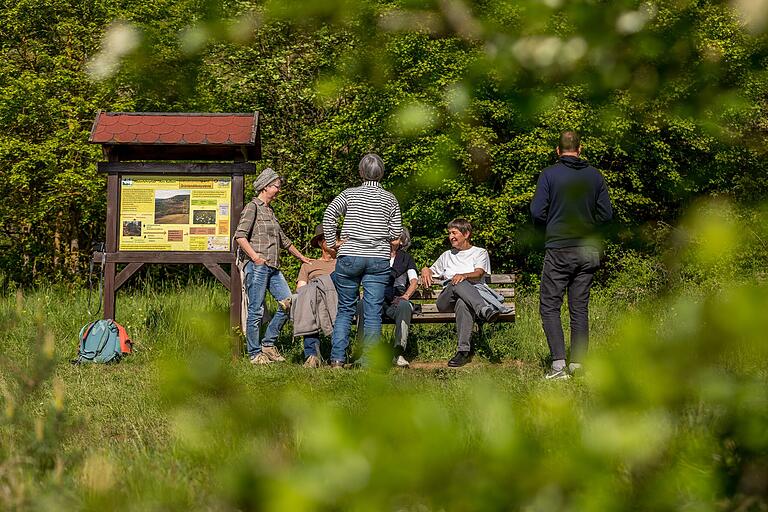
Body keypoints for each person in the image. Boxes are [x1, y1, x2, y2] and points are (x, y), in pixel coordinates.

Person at [530, 130, 613, 379]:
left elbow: (536, 212)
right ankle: (578, 365)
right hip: (588, 250)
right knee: (579, 308)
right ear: (581, 149)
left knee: (550, 306)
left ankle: (558, 367)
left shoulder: (549, 175)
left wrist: (548, 230)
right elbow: (607, 215)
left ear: (558, 151)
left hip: (559, 248)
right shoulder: (594, 176)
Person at [323, 153, 402, 368]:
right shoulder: (390, 198)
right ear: (382, 173)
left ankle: (337, 359)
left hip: (350, 255)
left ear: (360, 173)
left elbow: (329, 215)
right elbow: (397, 232)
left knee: (346, 308)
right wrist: (388, 241)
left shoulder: (349, 194)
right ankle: (369, 362)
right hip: (378, 259)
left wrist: (333, 242)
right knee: (373, 311)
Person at [234, 167, 310, 365]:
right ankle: (254, 353)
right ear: (266, 187)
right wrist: (255, 258)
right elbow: (240, 236)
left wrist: (302, 258)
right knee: (256, 310)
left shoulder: (270, 210)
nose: (279, 190)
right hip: (258, 266)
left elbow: (283, 240)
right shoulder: (253, 207)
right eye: (277, 186)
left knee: (289, 301)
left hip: (274, 268)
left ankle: (268, 344)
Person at [421, 219, 499, 368]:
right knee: (457, 281)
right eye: (449, 233)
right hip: (446, 302)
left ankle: (463, 352)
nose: (451, 236)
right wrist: (425, 269)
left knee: (462, 303)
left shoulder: (480, 252)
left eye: (454, 233)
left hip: (467, 301)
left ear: (466, 234)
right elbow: (432, 270)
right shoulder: (446, 255)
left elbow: (479, 273)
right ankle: (483, 310)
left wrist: (464, 275)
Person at [356, 228, 419, 367]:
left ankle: (398, 352)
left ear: (401, 241)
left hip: (397, 296)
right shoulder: (374, 257)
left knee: (404, 305)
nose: (390, 240)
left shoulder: (406, 258)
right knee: (361, 305)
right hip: (376, 296)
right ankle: (363, 352)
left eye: (395, 238)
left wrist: (406, 296)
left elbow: (414, 281)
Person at [294, 224, 338, 368]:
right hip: (312, 299)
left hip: (335, 297)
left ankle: (313, 355)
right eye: (329, 238)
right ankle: (313, 356)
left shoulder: (343, 262)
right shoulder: (309, 264)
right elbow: (301, 288)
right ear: (320, 243)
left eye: (336, 237)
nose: (334, 240)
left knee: (311, 297)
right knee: (308, 296)